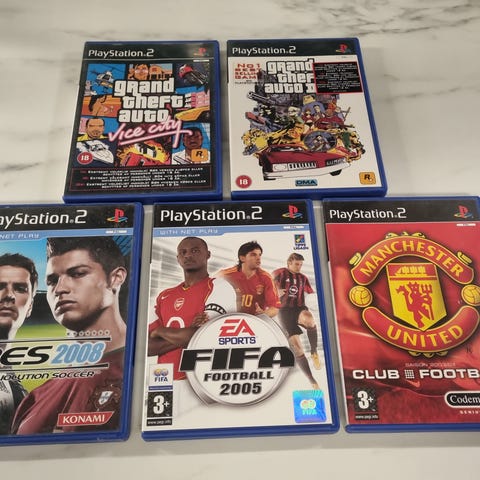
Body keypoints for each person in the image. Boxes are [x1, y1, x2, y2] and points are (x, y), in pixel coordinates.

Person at [11, 237, 128, 434]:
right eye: (52, 281)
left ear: (116, 278)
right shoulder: (34, 399)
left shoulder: (144, 370)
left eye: (77, 274)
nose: (60, 289)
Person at [148, 237, 236, 380]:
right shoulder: (164, 296)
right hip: (164, 380)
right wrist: (189, 332)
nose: (188, 255)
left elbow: (207, 335)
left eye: (195, 251)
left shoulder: (219, 287)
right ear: (178, 258)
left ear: (208, 254)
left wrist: (160, 331)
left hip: (202, 380)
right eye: (183, 252)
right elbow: (147, 347)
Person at [0, 253, 37, 434]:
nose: (9, 295)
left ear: (30, 307)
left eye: (20, 289)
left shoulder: (18, 390)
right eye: (0, 286)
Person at [272, 253, 321, 389]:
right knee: (297, 348)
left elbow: (311, 294)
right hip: (283, 312)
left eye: (301, 264)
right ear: (289, 263)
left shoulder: (303, 278)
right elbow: (266, 286)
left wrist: (315, 300)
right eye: (296, 264)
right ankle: (312, 380)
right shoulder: (279, 273)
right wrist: (275, 292)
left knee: (309, 319)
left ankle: (314, 351)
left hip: (298, 308)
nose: (299, 267)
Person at [217, 241, 280, 318]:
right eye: (253, 255)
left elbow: (274, 308)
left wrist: (263, 314)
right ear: (242, 258)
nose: (258, 258)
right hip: (229, 320)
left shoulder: (266, 278)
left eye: (259, 255)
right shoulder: (224, 275)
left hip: (254, 320)